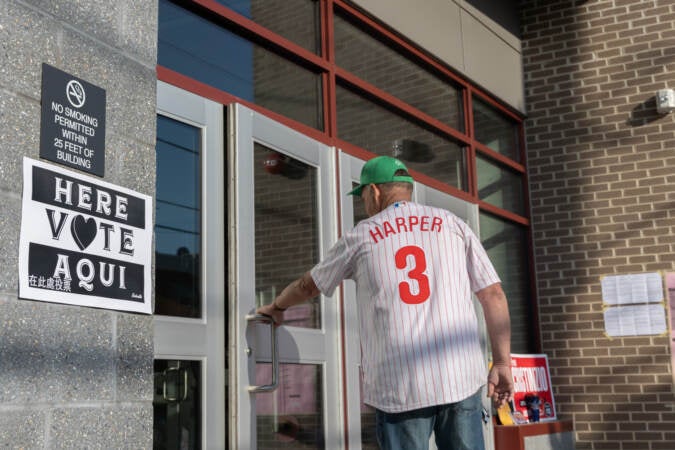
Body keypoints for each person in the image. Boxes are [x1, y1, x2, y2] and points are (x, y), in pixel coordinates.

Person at [257, 155, 514, 450]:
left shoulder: (361, 236)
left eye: (363, 194)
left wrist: (277, 307)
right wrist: (502, 363)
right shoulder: (455, 225)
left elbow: (308, 285)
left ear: (375, 191)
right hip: (460, 377)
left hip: (400, 386)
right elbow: (493, 294)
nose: (364, 202)